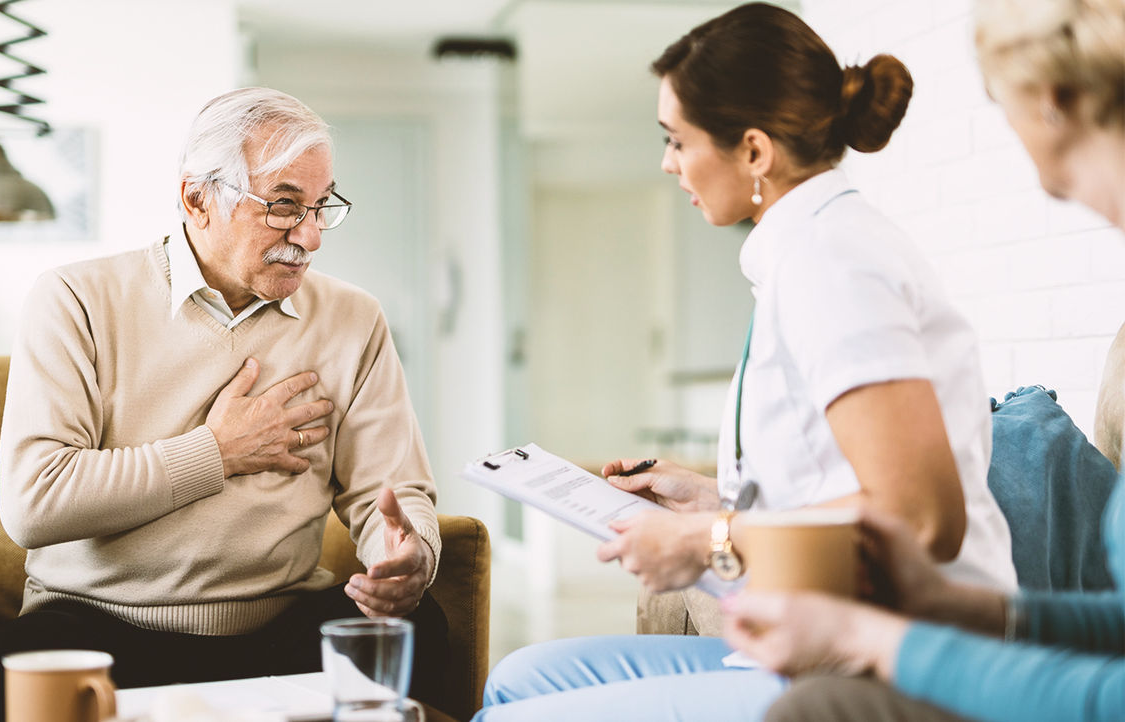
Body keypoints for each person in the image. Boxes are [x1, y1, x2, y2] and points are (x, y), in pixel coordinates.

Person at [475, 3, 1015, 720]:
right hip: (830, 636)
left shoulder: (832, 264)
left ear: (755, 151)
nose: (668, 162)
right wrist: (711, 501)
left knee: (511, 715)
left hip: (902, 662)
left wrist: (707, 539)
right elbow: (837, 480)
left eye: (677, 140)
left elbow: (919, 516)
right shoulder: (804, 253)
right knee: (519, 678)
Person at [0, 87, 450, 721]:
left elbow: (392, 491)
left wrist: (407, 553)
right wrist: (218, 452)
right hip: (105, 626)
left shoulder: (354, 318)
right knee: (9, 671)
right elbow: (34, 504)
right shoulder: (74, 299)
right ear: (196, 198)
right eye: (284, 205)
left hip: (278, 628)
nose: (310, 235)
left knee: (423, 628)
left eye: (320, 206)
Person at [724, 1, 1125, 720]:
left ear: (1054, 102)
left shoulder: (832, 254)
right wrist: (951, 605)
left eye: (1001, 106)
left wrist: (882, 641)